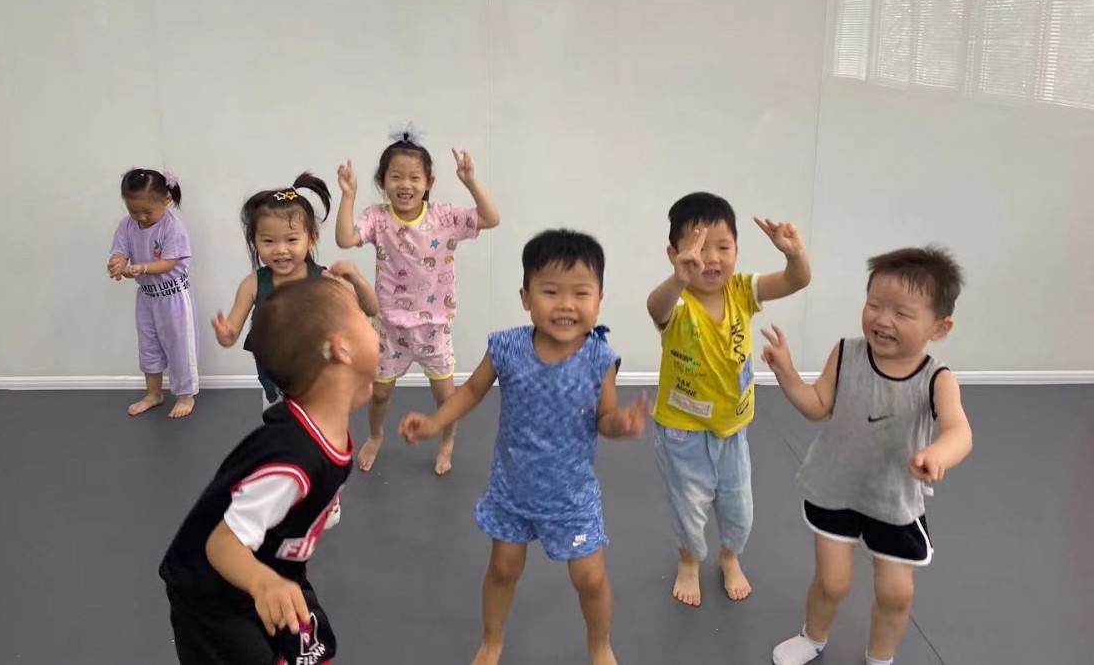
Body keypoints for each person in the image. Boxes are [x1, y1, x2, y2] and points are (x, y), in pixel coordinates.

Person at [399, 229, 648, 665]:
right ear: (525, 297)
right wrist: (436, 421)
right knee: (503, 570)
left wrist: (621, 424)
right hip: (512, 491)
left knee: (590, 579)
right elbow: (471, 390)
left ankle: (600, 644)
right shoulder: (507, 348)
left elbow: (605, 417)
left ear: (599, 301)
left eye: (581, 293)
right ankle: (491, 640)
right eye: (551, 292)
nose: (566, 304)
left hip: (571, 497)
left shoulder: (600, 358)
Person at [766, 247, 973, 665]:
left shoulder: (937, 378)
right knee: (832, 582)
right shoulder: (846, 353)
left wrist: (938, 454)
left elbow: (960, 432)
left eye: (902, 313)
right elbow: (817, 406)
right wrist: (787, 374)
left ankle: (880, 657)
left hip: (893, 500)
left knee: (896, 593)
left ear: (940, 327)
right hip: (835, 488)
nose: (882, 319)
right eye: (874, 305)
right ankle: (813, 636)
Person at [160, 277, 380, 665]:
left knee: (312, 651)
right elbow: (222, 543)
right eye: (363, 318)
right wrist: (263, 583)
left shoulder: (321, 429)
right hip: (215, 595)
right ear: (341, 348)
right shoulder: (292, 461)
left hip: (274, 568)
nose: (374, 325)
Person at [645, 192, 812, 605]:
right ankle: (689, 559)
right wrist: (678, 278)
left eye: (724, 247)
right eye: (699, 249)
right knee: (689, 507)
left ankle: (729, 554)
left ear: (737, 249)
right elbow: (655, 307)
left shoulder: (741, 290)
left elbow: (796, 281)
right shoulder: (678, 302)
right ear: (674, 254)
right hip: (682, 432)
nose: (712, 259)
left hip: (733, 429)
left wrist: (794, 254)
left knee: (740, 509)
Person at [335, 123, 500, 474]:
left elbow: (491, 218)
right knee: (380, 393)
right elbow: (346, 239)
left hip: (433, 329)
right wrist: (348, 195)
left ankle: (447, 441)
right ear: (382, 181)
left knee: (445, 397)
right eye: (396, 177)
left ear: (429, 183)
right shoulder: (378, 218)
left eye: (414, 177)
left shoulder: (444, 217)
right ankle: (376, 435)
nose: (405, 185)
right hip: (390, 328)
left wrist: (470, 180)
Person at [211, 173, 378, 410]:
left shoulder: (323, 279)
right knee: (278, 427)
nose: (280, 250)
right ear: (255, 241)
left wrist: (356, 280)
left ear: (311, 239)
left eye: (291, 240)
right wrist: (225, 335)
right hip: (275, 381)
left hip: (320, 380)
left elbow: (371, 308)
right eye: (268, 241)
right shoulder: (253, 284)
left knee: (319, 428)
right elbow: (231, 333)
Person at [107, 167, 199, 419]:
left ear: (166, 199)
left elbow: (169, 262)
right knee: (149, 345)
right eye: (133, 211)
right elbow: (120, 251)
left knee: (180, 347)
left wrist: (142, 268)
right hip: (147, 297)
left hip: (174, 297)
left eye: (147, 212)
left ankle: (185, 394)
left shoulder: (172, 227)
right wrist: (116, 264)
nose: (141, 217)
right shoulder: (127, 226)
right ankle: (153, 393)